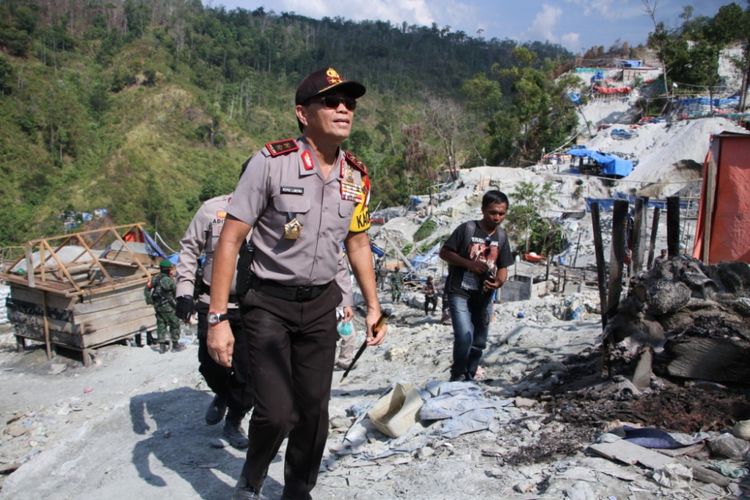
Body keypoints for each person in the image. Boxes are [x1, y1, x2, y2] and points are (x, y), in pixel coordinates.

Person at [206, 66, 387, 500]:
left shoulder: (356, 177)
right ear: (303, 113)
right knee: (276, 413)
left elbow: (358, 243)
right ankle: (251, 475)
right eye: (331, 101)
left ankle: (297, 491)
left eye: (350, 104)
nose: (344, 109)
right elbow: (230, 240)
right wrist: (217, 318)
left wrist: (373, 305)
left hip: (322, 305)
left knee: (314, 413)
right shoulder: (270, 163)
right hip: (267, 304)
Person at [174, 192, 252, 449]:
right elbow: (188, 248)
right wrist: (184, 292)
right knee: (210, 365)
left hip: (253, 304)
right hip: (213, 303)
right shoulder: (212, 209)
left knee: (248, 373)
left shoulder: (272, 212)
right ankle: (222, 393)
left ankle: (234, 419)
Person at [439, 190, 513, 382]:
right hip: (460, 292)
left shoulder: (502, 237)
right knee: (464, 336)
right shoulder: (467, 230)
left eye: (501, 213)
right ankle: (457, 375)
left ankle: (469, 375)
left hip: (485, 296)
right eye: (493, 212)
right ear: (483, 210)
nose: (497, 217)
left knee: (479, 341)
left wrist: (499, 281)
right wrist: (469, 264)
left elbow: (503, 267)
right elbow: (445, 253)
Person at [145, 260, 183, 354]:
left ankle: (162, 347)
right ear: (168, 269)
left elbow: (147, 288)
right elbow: (175, 291)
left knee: (161, 325)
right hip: (169, 307)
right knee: (175, 324)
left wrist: (150, 300)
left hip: (158, 307)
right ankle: (175, 345)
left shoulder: (155, 278)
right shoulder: (169, 280)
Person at [334, 252, 357, 371]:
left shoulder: (344, 270)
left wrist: (347, 305)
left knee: (349, 335)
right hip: (332, 308)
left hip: (341, 308)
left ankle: (344, 361)